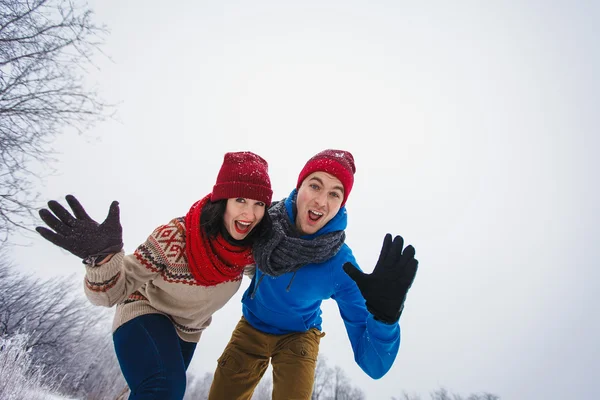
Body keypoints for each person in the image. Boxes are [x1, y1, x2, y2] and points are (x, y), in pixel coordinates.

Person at [36, 151, 273, 400]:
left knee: (157, 392)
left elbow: (271, 281)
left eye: (259, 204)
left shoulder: (248, 251)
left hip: (188, 332)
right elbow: (112, 293)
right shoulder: (176, 237)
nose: (250, 213)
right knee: (164, 389)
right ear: (223, 200)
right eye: (240, 200)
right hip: (144, 311)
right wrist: (102, 259)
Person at [208, 149, 419, 400]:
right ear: (300, 187)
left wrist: (385, 319)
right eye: (315, 186)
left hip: (298, 337)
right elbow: (222, 229)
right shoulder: (264, 223)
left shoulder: (340, 263)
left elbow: (373, 365)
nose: (321, 201)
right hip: (252, 326)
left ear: (341, 204)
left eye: (334, 194)